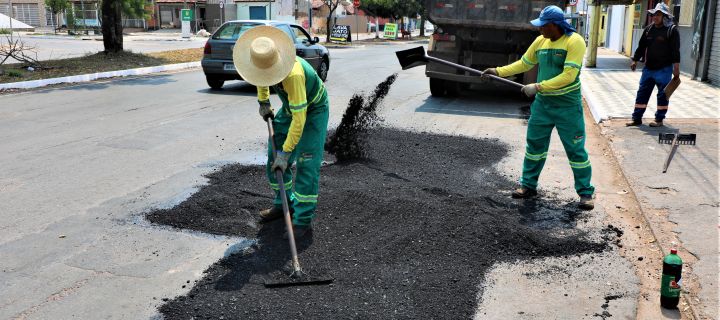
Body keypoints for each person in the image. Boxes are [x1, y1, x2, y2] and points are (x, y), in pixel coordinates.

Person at [483, 5, 595, 210]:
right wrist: (498, 71)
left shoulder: (574, 41)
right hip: (543, 105)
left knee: (576, 151)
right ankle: (528, 186)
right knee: (534, 148)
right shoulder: (540, 41)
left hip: (567, 106)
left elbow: (569, 76)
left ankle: (586, 193)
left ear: (554, 25)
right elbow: (524, 64)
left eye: (543, 26)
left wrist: (537, 86)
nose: (539, 29)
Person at [233, 26, 329, 238]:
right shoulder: (261, 64)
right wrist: (264, 101)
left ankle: (302, 220)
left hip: (313, 109)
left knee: (306, 161)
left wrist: (287, 154)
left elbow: (300, 118)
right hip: (292, 107)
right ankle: (284, 202)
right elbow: (260, 78)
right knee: (273, 154)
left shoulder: (293, 75)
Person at [626, 2, 680, 127]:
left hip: (664, 69)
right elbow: (641, 47)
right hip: (648, 69)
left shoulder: (671, 31)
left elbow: (675, 50)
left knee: (663, 94)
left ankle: (659, 119)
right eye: (654, 14)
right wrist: (634, 60)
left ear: (665, 16)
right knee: (642, 92)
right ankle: (636, 118)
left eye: (658, 15)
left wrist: (676, 67)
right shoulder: (649, 30)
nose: (655, 17)